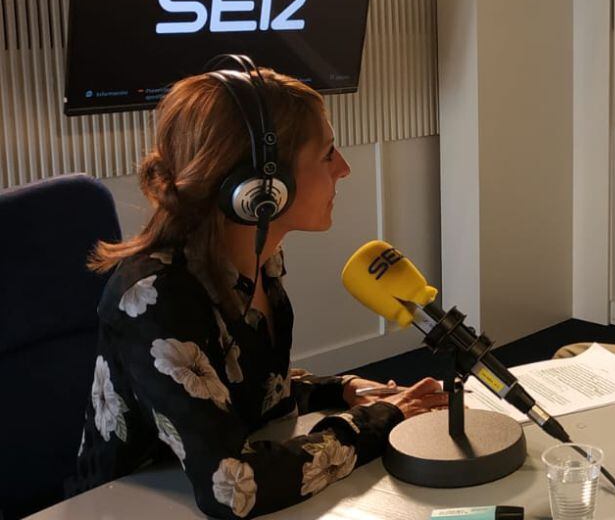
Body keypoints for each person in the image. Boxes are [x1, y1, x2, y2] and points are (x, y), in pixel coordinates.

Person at [68, 64, 447, 518]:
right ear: (262, 188)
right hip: (122, 507)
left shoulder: (259, 256)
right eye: (327, 154)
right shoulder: (154, 298)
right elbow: (232, 488)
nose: (344, 169)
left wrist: (341, 392)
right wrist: (375, 422)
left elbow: (242, 389)